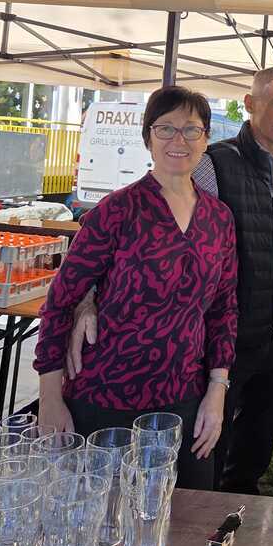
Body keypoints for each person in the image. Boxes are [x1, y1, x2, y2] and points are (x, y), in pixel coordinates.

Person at [67, 67, 273, 496]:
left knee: (254, 450)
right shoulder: (215, 163)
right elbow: (153, 225)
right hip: (226, 337)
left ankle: (238, 515)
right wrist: (87, 294)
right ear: (250, 105)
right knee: (209, 447)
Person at [35, 87, 238, 490]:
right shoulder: (116, 210)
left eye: (191, 130)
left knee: (183, 516)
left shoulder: (219, 219)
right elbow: (60, 302)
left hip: (184, 400)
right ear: (148, 137)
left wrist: (217, 390)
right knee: (103, 516)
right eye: (165, 128)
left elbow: (223, 310)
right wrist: (50, 397)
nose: (178, 140)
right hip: (104, 400)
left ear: (206, 139)